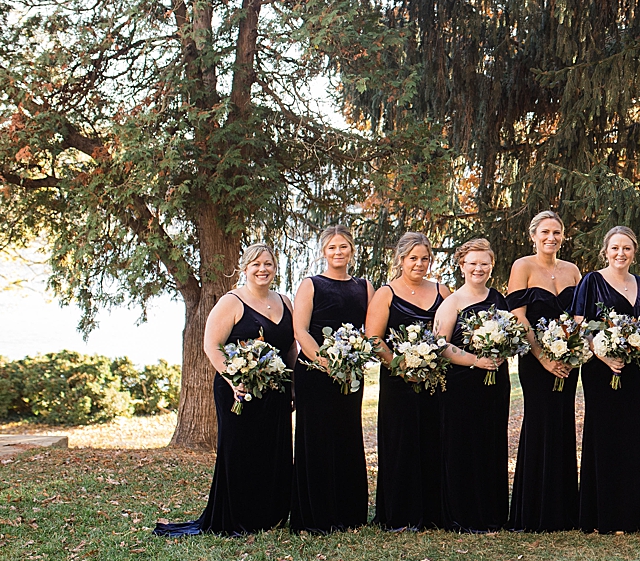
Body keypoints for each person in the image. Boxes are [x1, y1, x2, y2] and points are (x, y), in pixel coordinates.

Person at [155, 243, 295, 536]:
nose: (262, 269)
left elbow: (290, 347)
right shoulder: (232, 302)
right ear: (244, 268)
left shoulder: (285, 301)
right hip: (238, 391)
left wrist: (293, 384)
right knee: (240, 451)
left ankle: (269, 514)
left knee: (273, 450)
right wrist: (234, 378)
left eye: (268, 264)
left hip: (276, 391)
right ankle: (238, 516)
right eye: (256, 264)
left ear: (275, 268)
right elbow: (211, 345)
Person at [288, 225, 372, 534]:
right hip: (315, 373)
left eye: (344, 247)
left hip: (351, 372)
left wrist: (353, 360)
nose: (338, 252)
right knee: (317, 439)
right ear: (324, 251)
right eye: (332, 247)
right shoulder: (311, 285)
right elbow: (300, 331)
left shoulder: (365, 286)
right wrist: (325, 362)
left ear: (352, 250)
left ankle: (348, 512)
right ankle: (316, 514)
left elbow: (370, 329)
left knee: (347, 436)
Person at [570, 226, 640, 533]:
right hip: (601, 368)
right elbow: (579, 324)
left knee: (633, 436)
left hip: (635, 370)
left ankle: (630, 515)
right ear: (605, 250)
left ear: (634, 252)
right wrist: (604, 354)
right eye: (615, 248)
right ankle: (601, 514)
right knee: (603, 435)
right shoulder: (592, 281)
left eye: (627, 248)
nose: (621, 254)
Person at [366, 232, 449, 530]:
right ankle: (400, 514)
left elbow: (450, 335)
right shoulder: (386, 293)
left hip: (433, 382)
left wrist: (431, 363)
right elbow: (374, 339)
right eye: (413, 258)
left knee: (432, 441)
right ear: (400, 259)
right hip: (398, 382)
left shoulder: (442, 291)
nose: (419, 264)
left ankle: (433, 513)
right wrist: (402, 367)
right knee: (401, 444)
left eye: (424, 258)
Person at [507, 211, 583, 532]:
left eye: (557, 232)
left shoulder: (574, 270)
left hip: (567, 361)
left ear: (563, 236)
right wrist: (543, 357)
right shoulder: (522, 267)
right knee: (540, 422)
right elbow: (518, 317)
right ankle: (534, 511)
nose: (551, 238)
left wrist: (569, 350)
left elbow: (579, 316)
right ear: (533, 235)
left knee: (564, 421)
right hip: (535, 360)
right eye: (545, 232)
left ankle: (565, 511)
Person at [434, 238, 511, 532]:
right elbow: (440, 346)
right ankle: (463, 514)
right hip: (462, 385)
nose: (478, 269)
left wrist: (502, 351)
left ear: (491, 266)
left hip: (495, 384)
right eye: (473, 263)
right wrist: (475, 360)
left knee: (491, 442)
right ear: (461, 266)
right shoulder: (452, 302)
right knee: (463, 446)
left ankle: (492, 513)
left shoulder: (500, 299)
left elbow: (510, 334)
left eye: (484, 263)